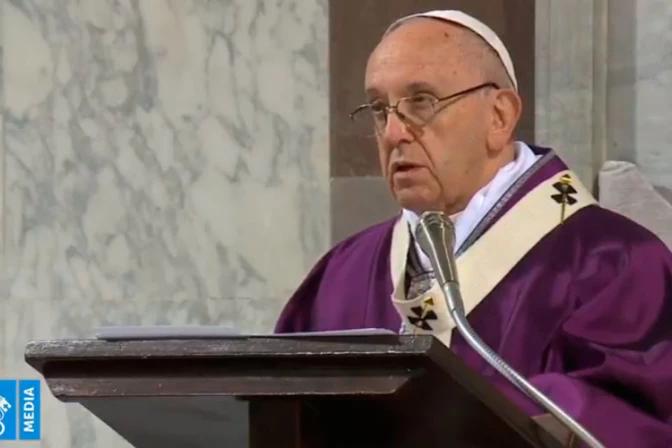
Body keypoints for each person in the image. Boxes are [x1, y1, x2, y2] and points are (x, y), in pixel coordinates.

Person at [274, 10, 672, 447]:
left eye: (421, 102)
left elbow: (633, 418)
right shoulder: (342, 274)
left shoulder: (614, 263)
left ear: (499, 116)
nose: (393, 133)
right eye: (379, 110)